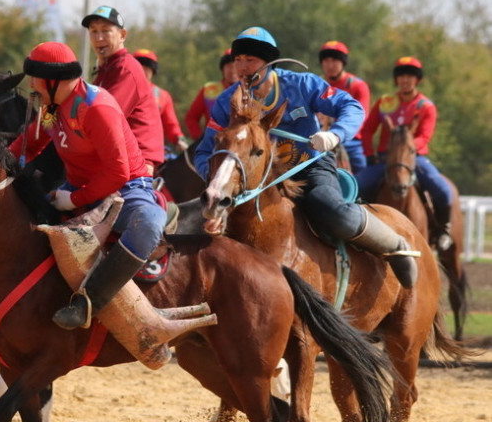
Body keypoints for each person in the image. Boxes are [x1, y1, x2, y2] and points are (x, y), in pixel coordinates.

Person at [193, 27, 417, 288]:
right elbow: (205, 152)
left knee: (331, 211)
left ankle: (395, 246)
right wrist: (217, 183)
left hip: (309, 166)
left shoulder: (302, 84)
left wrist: (334, 135)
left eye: (250, 60)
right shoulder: (225, 102)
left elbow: (351, 107)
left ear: (269, 63)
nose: (241, 67)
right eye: (238, 60)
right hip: (255, 182)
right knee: (194, 223)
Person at [9, 41, 166, 330]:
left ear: (54, 82)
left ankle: (88, 302)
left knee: (148, 223)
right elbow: (31, 141)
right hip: (80, 189)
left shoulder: (96, 108)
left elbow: (118, 172)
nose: (32, 85)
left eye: (36, 79)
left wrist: (74, 199)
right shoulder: (52, 106)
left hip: (127, 189)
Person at [356, 56, 454, 250]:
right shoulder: (385, 102)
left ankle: (443, 229)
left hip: (415, 159)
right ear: (396, 79)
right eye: (401, 76)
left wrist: (405, 150)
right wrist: (368, 154)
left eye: (409, 76)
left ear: (416, 80)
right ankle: (355, 229)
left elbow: (425, 137)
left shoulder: (426, 106)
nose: (405, 80)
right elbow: (367, 129)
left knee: (442, 189)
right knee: (354, 185)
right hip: (385, 160)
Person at [82, 5, 164, 174]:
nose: (98, 37)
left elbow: (103, 119)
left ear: (122, 35)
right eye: (94, 31)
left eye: (105, 31)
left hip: (136, 161)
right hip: (118, 155)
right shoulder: (107, 68)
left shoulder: (125, 69)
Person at [318, 40, 371, 174]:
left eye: (334, 60)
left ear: (343, 63)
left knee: (362, 170)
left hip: (351, 140)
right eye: (326, 60)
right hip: (319, 136)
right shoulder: (316, 84)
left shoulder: (358, 86)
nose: (330, 65)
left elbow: (361, 115)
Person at [132, 49, 189, 153]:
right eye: (139, 67)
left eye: (147, 68)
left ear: (153, 71)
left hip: (151, 152)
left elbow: (170, 124)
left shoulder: (163, 96)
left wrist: (179, 138)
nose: (142, 70)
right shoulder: (123, 90)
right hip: (126, 148)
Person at [184, 48, 239, 141]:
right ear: (222, 69)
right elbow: (191, 118)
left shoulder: (251, 90)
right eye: (228, 66)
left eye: (235, 66)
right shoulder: (209, 90)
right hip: (213, 145)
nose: (232, 70)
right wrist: (200, 139)